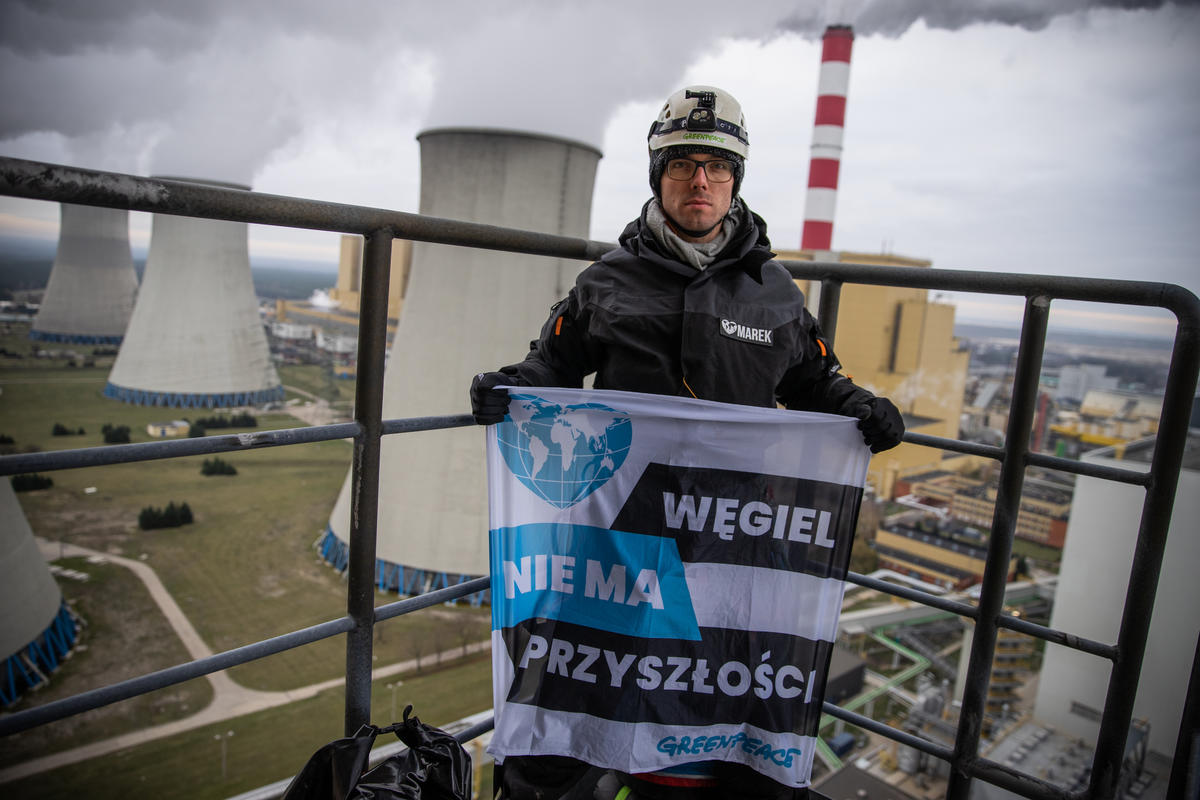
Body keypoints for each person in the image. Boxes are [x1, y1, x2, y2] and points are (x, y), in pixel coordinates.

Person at [470, 86, 904, 799]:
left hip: (735, 543)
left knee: (728, 710)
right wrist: (509, 389)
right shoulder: (606, 282)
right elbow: (550, 364)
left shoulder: (775, 294)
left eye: (716, 165)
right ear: (658, 175)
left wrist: (863, 409)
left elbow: (815, 380)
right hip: (621, 544)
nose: (699, 180)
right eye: (681, 164)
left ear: (735, 180)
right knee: (569, 712)